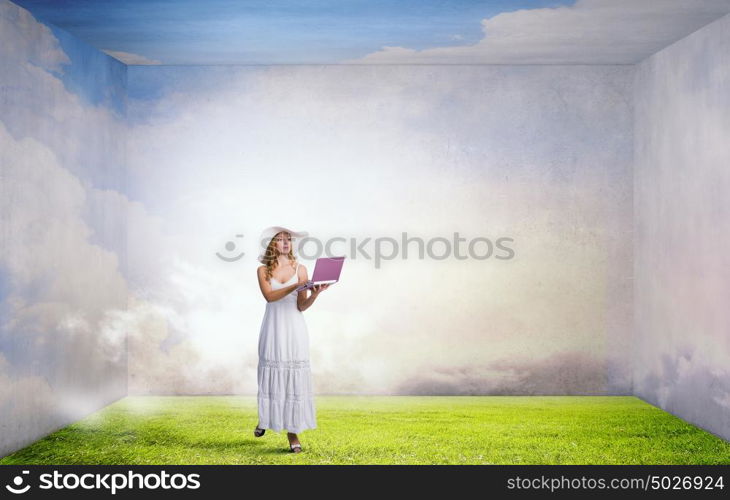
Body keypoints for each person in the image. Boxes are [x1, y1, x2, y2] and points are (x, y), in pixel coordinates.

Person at [253, 226, 330, 453]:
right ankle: (265, 419)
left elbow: (301, 306)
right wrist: (295, 286)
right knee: (271, 373)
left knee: (292, 378)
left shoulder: (302, 269)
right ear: (272, 244)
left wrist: (315, 293)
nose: (286, 242)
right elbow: (269, 297)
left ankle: (293, 434)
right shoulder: (263, 270)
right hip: (274, 328)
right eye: (280, 239)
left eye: (288, 239)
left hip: (295, 329)